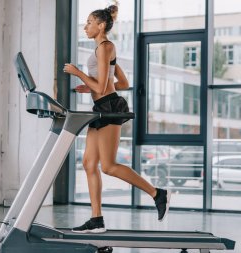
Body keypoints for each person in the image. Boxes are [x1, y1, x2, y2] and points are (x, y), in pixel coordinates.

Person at [63, 4, 171, 234]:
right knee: (89, 164)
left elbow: (103, 86)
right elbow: (120, 84)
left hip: (110, 106)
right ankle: (96, 219)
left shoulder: (105, 47)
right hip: (102, 104)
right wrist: (88, 87)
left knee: (109, 166)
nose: (85, 26)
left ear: (101, 26)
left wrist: (78, 73)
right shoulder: (103, 49)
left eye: (89, 23)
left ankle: (157, 193)